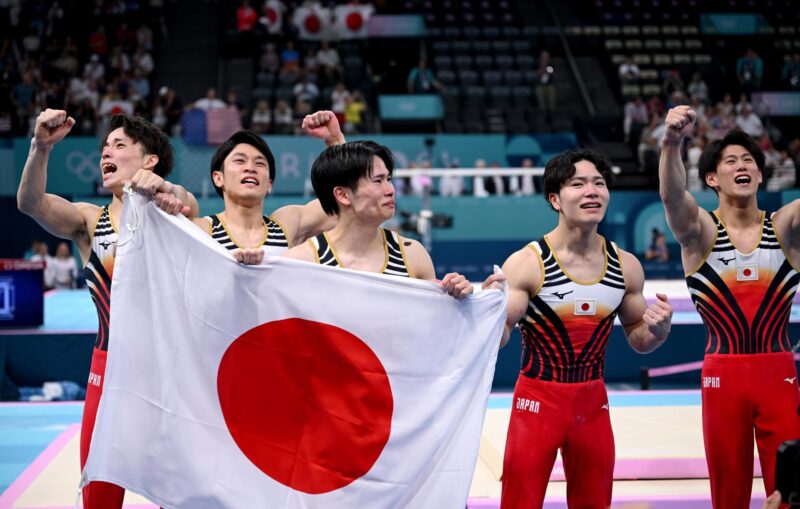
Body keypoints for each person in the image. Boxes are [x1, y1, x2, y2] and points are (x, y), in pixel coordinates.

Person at [16, 108, 198, 508]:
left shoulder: (174, 209)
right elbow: (30, 203)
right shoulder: (88, 220)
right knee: (98, 496)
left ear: (149, 160)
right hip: (108, 370)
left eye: (119, 145)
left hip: (168, 373)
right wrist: (40, 148)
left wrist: (165, 188)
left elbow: (188, 203)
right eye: (103, 148)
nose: (105, 154)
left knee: (180, 494)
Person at [499, 148, 673, 508]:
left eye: (599, 183)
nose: (592, 191)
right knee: (519, 502)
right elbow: (497, 338)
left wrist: (659, 330)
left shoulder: (626, 266)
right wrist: (481, 315)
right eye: (578, 184)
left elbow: (639, 340)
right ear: (555, 199)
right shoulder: (527, 264)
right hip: (537, 403)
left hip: (593, 405)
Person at [658, 105, 800, 509]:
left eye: (750, 161)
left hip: (778, 374)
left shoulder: (788, 227)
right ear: (711, 178)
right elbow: (671, 197)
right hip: (724, 376)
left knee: (791, 490)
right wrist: (671, 143)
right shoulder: (700, 232)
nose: (743, 165)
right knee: (729, 494)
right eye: (731, 161)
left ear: (759, 174)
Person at [283, 140, 479, 299]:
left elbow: (434, 331)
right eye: (378, 181)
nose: (390, 190)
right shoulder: (302, 263)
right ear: (342, 195)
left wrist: (461, 301)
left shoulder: (413, 256)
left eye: (389, 179)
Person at [191, 119, 340, 264]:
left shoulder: (286, 226)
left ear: (269, 184)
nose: (250, 168)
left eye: (260, 163)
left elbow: (341, 205)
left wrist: (335, 142)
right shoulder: (204, 230)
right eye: (240, 161)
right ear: (218, 178)